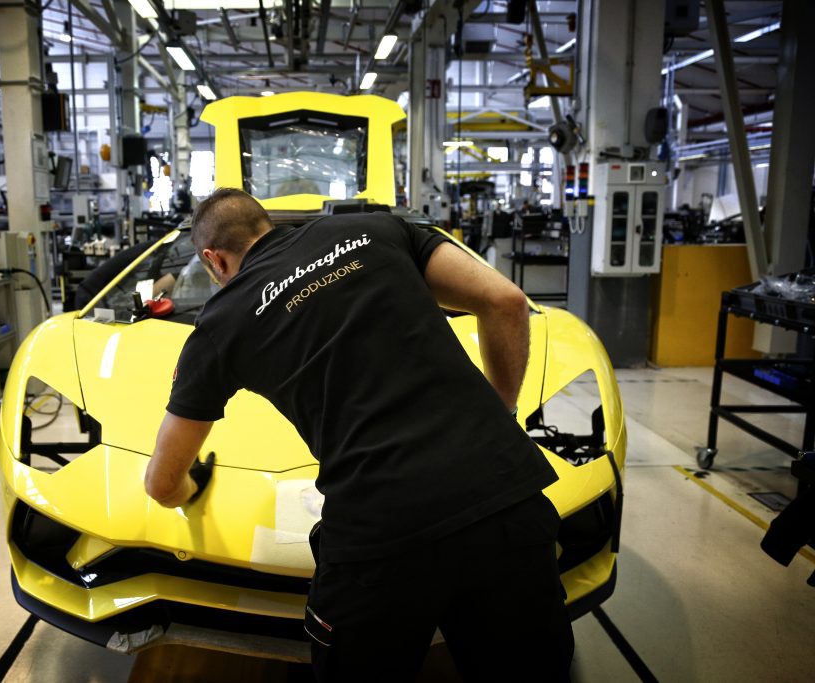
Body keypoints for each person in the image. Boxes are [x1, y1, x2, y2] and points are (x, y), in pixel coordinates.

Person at [143, 188, 574, 681]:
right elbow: (505, 301)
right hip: (504, 493)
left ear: (213, 260)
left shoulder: (220, 324)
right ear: (268, 224)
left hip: (381, 536)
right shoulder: (377, 229)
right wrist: (497, 417)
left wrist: (189, 487)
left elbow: (161, 484)